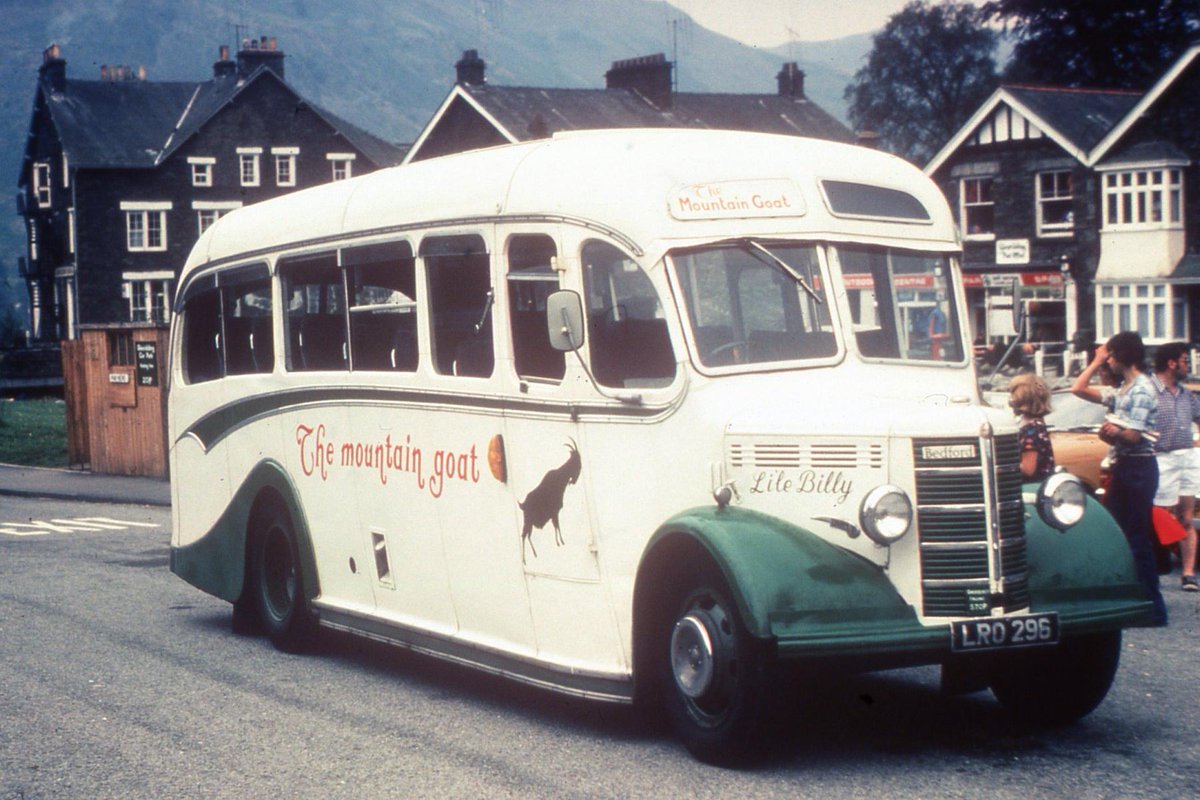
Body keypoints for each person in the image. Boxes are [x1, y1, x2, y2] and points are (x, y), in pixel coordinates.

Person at [1072, 331, 1167, 625]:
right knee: (1116, 534)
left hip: (1138, 467)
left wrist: (1114, 434)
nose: (1106, 360)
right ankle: (1130, 599)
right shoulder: (1124, 389)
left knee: (1137, 536)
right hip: (1125, 466)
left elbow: (1134, 435)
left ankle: (1153, 607)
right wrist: (1097, 359)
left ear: (1123, 355)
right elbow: (1079, 388)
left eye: (1110, 355)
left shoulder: (1140, 390)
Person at [1148, 342, 1200, 591]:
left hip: (1187, 458)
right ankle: (1154, 567)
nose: (1187, 365)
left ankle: (1188, 574)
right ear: (1171, 363)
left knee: (1186, 517)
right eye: (1184, 360)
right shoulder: (1149, 390)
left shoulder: (1187, 394)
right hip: (1161, 458)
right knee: (1159, 515)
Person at [1008, 372, 1055, 481]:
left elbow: (1029, 469)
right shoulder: (1029, 424)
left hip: (1032, 487)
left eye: (1012, 393)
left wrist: (1002, 465)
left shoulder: (1032, 430)